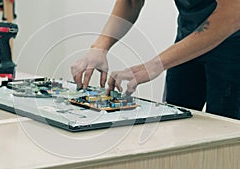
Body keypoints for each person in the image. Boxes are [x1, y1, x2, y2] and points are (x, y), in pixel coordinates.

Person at [71, 0, 240, 119]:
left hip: (234, 39)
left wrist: (154, 65)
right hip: (190, 35)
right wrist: (100, 47)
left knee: (229, 132)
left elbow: (232, 15)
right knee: (177, 121)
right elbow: (131, 2)